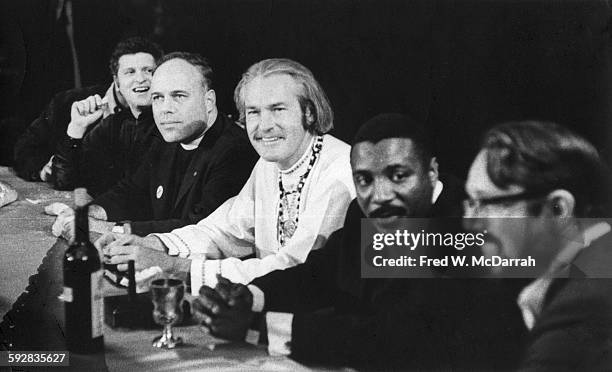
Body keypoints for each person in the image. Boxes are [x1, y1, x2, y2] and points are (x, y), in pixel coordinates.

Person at [191, 114, 527, 370]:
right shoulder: (365, 214)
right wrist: (248, 295)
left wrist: (257, 326)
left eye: (399, 175)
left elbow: (394, 337)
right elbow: (319, 274)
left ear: (432, 172)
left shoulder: (473, 227)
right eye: (364, 180)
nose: (379, 196)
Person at [98, 58, 356, 288]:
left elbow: (295, 269)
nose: (264, 126)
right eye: (254, 112)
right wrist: (151, 243)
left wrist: (175, 266)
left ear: (309, 112)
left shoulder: (340, 172)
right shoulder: (269, 164)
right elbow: (223, 231)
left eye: (277, 109)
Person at [52, 52, 258, 237]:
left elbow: (199, 229)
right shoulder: (168, 135)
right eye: (158, 98)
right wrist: (90, 213)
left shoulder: (235, 150)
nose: (165, 109)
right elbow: (132, 191)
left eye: (178, 96)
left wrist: (110, 229)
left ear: (209, 101)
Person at [463, 121, 612, 369]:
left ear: (558, 209)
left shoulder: (580, 311)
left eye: (486, 203)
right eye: (470, 202)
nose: (469, 222)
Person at [51, 36, 163, 196]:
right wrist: (76, 129)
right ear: (117, 83)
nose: (140, 79)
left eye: (148, 71)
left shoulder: (173, 124)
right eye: (130, 72)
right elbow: (65, 181)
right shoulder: (112, 125)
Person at [12, 82, 124, 182]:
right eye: (130, 71)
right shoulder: (67, 102)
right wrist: (43, 170)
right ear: (116, 74)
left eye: (143, 69)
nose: (140, 79)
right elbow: (24, 150)